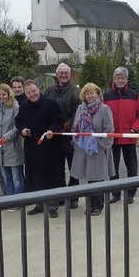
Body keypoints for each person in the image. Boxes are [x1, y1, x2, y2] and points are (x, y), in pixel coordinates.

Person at [15, 79, 64, 218]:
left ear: (39, 89)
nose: (32, 94)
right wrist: (23, 130)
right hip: (32, 146)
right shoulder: (23, 105)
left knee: (51, 176)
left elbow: (58, 120)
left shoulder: (51, 104)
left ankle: (53, 206)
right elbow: (19, 121)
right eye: (29, 93)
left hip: (50, 147)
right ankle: (39, 204)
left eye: (34, 91)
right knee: (36, 177)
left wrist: (52, 130)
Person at [103, 66, 139, 205]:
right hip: (113, 138)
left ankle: (130, 193)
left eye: (123, 77)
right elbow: (103, 116)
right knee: (113, 168)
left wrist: (134, 130)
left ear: (126, 80)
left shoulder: (135, 96)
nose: (120, 80)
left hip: (129, 137)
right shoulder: (106, 96)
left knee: (131, 167)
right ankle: (115, 193)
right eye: (118, 77)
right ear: (114, 80)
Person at [70, 83, 115, 216]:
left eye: (92, 93)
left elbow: (109, 130)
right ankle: (90, 204)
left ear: (98, 94)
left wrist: (101, 145)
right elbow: (75, 127)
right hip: (83, 149)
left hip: (97, 149)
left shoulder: (104, 109)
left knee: (97, 177)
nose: (89, 96)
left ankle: (98, 205)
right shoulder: (80, 109)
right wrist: (76, 141)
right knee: (89, 178)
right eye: (86, 93)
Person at [45, 63, 80, 208]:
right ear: (57, 75)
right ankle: (60, 196)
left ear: (69, 75)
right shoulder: (50, 90)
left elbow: (78, 111)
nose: (63, 75)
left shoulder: (75, 92)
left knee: (74, 167)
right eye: (61, 73)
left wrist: (69, 124)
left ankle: (73, 197)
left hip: (70, 134)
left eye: (66, 73)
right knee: (57, 168)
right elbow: (45, 108)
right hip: (54, 134)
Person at [0, 83, 24, 196]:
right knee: (6, 177)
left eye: (4, 94)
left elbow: (17, 127)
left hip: (12, 147)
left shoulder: (15, 107)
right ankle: (9, 199)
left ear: (9, 94)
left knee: (16, 177)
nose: (1, 97)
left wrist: (6, 137)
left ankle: (19, 200)